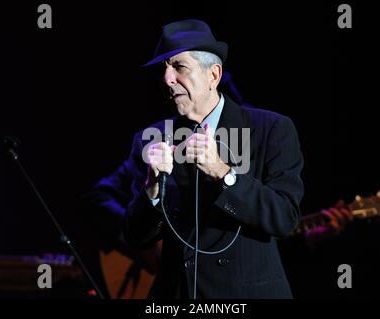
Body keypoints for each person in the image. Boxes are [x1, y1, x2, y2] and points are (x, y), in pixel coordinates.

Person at [88, 19, 304, 299]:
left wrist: (223, 173)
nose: (167, 78)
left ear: (213, 75)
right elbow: (137, 237)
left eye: (179, 66)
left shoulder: (270, 129)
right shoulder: (152, 137)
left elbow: (285, 218)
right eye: (164, 69)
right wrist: (152, 188)